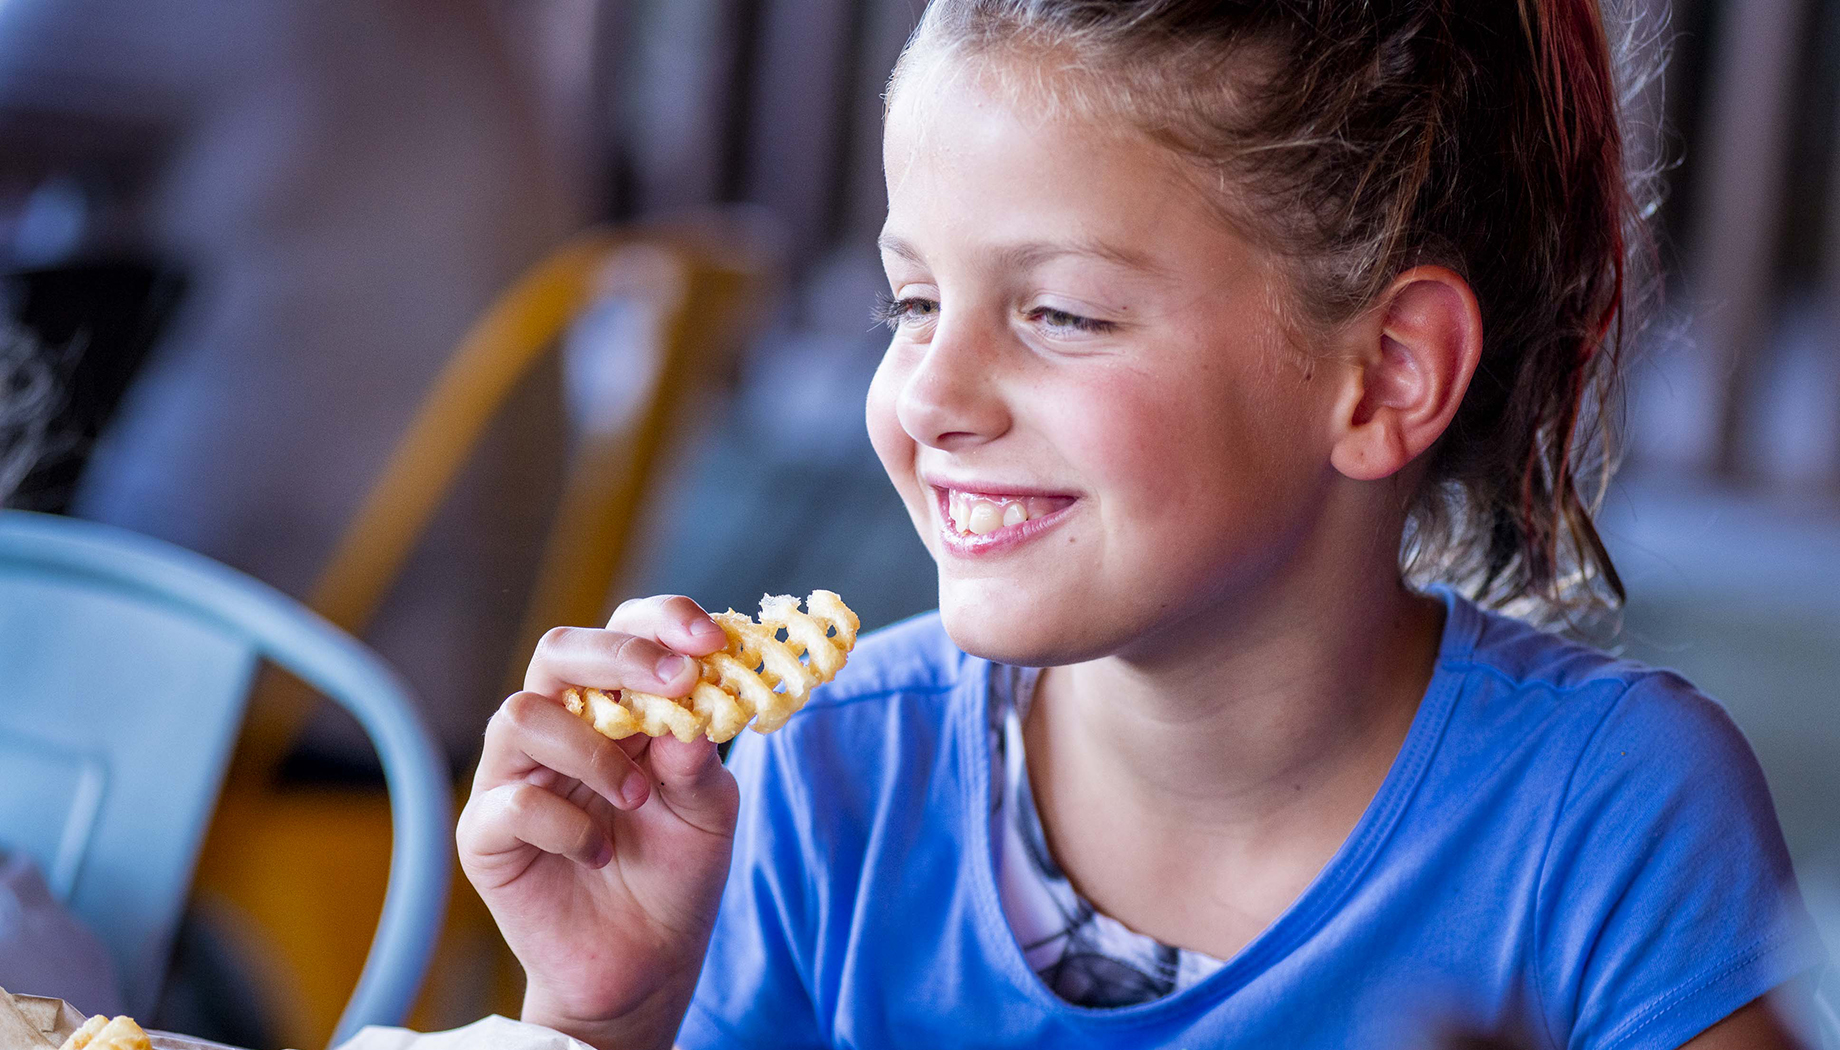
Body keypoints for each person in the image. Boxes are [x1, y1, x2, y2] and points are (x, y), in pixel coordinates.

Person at [457, 2, 1829, 1049]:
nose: (927, 392)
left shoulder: (1612, 826)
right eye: (912, 301)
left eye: (1060, 313)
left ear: (1387, 375)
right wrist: (603, 1020)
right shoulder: (823, 784)